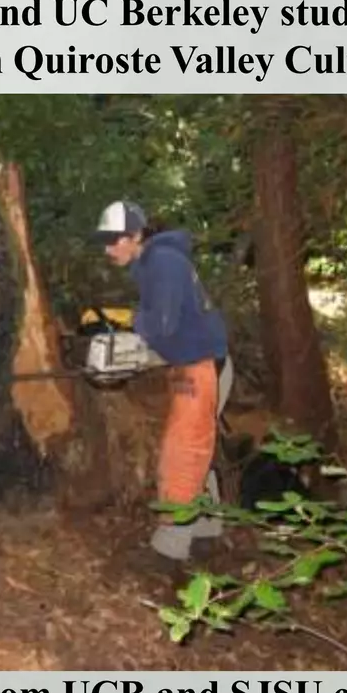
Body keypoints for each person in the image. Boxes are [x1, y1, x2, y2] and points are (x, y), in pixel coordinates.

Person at [95, 200, 231, 562]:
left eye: (115, 240)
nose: (109, 249)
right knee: (197, 443)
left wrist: (134, 321)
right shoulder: (151, 262)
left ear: (136, 236)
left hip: (202, 365)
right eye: (105, 241)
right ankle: (206, 526)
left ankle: (171, 546)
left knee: (183, 450)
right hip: (195, 360)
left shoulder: (163, 262)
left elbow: (162, 324)